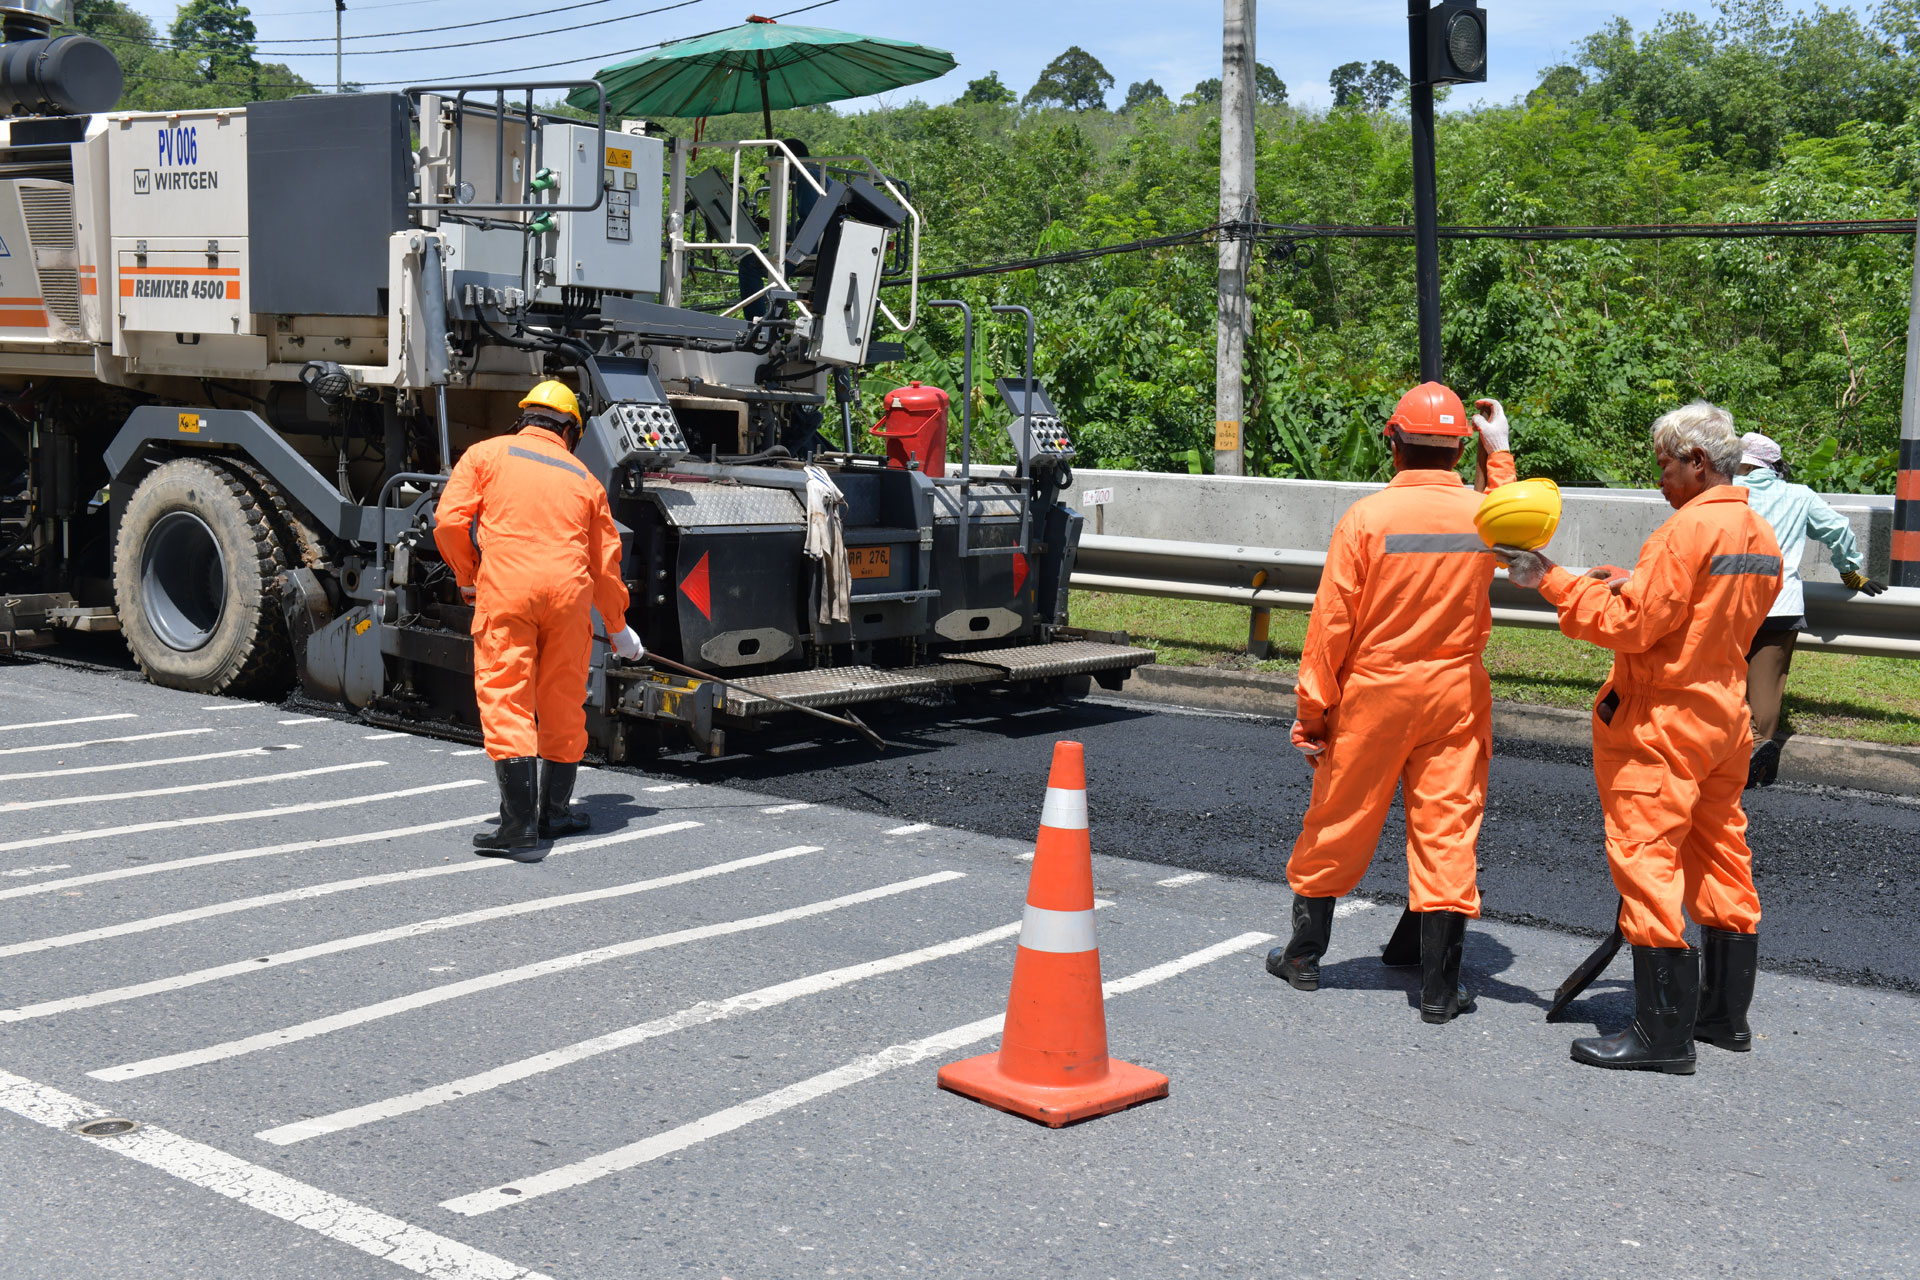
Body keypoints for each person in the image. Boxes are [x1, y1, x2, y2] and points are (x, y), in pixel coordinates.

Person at [1497, 402, 1780, 1075]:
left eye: (1665, 466)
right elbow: (1713, 613)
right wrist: (1636, 586)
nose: (1660, 480)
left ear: (1698, 463)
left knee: (1646, 859)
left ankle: (1661, 1035)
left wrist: (1554, 581)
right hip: (1723, 713)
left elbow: (1632, 626)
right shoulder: (1757, 533)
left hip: (1665, 723)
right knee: (1721, 857)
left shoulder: (1683, 534)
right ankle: (1722, 1018)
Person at [1266, 383, 1516, 1025]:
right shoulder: (1485, 515)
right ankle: (1438, 990)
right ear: (1462, 447)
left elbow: (1330, 629)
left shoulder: (1366, 518)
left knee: (1338, 819)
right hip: (1454, 692)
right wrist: (1502, 454)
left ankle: (1304, 957)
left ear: (1393, 442)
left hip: (1375, 693)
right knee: (1446, 829)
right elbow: (1518, 521)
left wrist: (1312, 714)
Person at [432, 380, 645, 862]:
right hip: (569, 597)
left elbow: (447, 522)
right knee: (563, 699)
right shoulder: (585, 480)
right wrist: (617, 627)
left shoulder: (487, 455)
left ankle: (519, 827)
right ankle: (555, 811)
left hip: (508, 588)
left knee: (507, 695)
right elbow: (605, 563)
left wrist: (470, 574)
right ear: (570, 429)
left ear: (525, 416)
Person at [1734, 431, 1887, 787]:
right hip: (1781, 603)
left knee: (1722, 680)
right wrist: (1849, 572)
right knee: (1767, 689)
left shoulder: (1725, 492)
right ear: (1773, 466)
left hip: (1731, 604)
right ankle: (1756, 764)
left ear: (1742, 461)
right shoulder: (1798, 495)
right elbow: (1838, 528)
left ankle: (1738, 749)